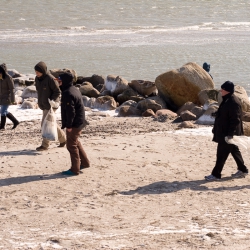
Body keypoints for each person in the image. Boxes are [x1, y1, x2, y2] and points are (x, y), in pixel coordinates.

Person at [205, 81, 248, 181]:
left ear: (227, 91)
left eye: (222, 89)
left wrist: (230, 134)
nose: (220, 91)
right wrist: (216, 114)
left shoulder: (233, 102)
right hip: (225, 131)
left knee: (221, 154)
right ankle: (243, 170)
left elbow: (235, 120)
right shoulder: (227, 99)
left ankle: (216, 174)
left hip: (228, 133)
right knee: (234, 150)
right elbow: (225, 113)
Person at [58, 72, 90, 176]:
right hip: (80, 121)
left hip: (75, 123)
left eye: (60, 81)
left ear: (65, 81)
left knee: (71, 145)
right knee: (75, 142)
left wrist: (69, 126)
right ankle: (85, 163)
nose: (58, 83)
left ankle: (75, 169)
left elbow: (71, 112)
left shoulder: (67, 93)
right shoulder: (74, 89)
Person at [34, 61, 66, 151]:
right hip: (43, 104)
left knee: (45, 124)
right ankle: (63, 139)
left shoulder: (50, 79)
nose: (36, 73)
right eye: (35, 72)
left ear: (43, 71)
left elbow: (57, 91)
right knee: (51, 123)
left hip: (51, 105)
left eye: (38, 72)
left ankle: (45, 145)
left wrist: (51, 101)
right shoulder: (37, 79)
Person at [0, 63, 19, 130]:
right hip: (1, 97)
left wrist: (13, 99)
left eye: (0, 72)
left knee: (3, 111)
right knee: (3, 111)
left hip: (7, 97)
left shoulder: (8, 78)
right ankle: (15, 121)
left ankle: (2, 126)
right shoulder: (0, 77)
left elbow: (12, 89)